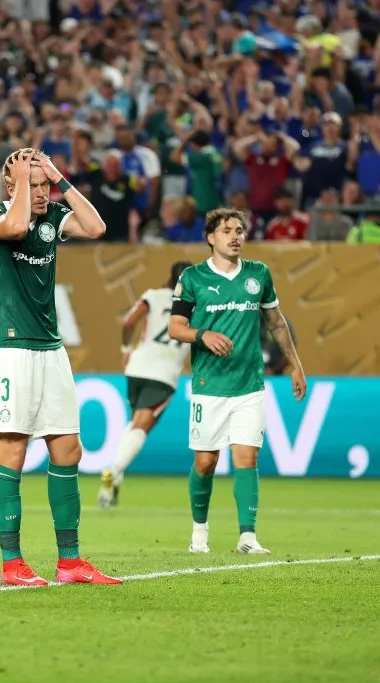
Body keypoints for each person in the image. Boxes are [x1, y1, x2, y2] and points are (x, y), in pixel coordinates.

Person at [0, 148, 120, 587]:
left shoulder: (53, 216)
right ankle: (11, 563)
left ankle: (70, 562)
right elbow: (16, 227)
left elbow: (96, 227)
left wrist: (60, 178)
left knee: (68, 449)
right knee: (14, 450)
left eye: (44, 186)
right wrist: (22, 182)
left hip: (50, 347)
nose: (41, 193)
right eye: (31, 185)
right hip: (9, 346)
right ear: (10, 186)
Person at [168, 207, 306, 555]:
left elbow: (276, 322)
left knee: (247, 458)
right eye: (227, 230)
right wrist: (203, 335)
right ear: (210, 237)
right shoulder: (193, 278)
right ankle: (199, 532)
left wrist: (296, 365)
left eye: (239, 230)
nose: (235, 236)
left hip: (249, 385)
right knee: (206, 463)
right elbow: (175, 327)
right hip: (209, 385)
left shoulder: (258, 274)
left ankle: (248, 536)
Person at [98, 260, 192, 508]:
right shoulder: (197, 307)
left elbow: (128, 322)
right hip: (164, 373)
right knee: (141, 427)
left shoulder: (153, 296)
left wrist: (125, 349)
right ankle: (113, 471)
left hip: (137, 366)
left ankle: (112, 487)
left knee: (134, 424)